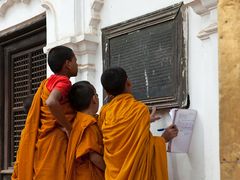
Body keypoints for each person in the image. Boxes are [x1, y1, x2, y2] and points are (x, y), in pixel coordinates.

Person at [99, 67, 178, 180]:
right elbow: (144, 147)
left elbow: (118, 138)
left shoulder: (104, 112)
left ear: (107, 92)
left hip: (112, 175)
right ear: (128, 83)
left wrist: (146, 120)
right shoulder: (139, 110)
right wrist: (164, 138)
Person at [12, 46, 78, 180]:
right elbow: (51, 102)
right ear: (68, 64)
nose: (77, 64)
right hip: (55, 139)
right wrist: (67, 127)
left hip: (44, 140)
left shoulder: (47, 83)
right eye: (75, 61)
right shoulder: (63, 81)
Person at [65, 81, 105, 180]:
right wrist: (110, 170)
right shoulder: (88, 124)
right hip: (89, 175)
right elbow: (93, 156)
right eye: (97, 95)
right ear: (94, 99)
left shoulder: (77, 119)